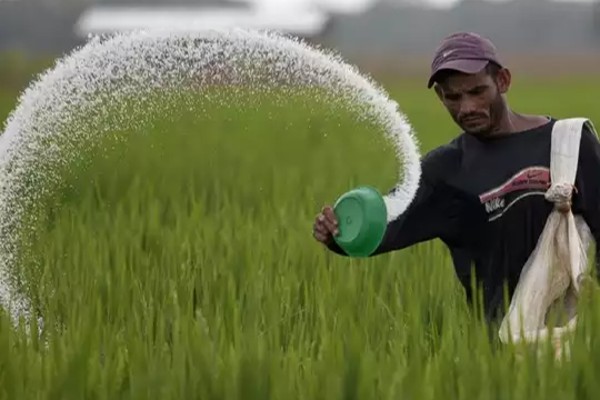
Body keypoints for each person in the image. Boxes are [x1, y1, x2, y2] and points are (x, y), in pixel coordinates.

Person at [312, 31, 600, 322]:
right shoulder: (447, 171)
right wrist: (337, 233)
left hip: (579, 335)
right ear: (440, 95)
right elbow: (386, 228)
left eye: (477, 92)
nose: (467, 108)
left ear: (502, 81)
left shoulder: (569, 143)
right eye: (453, 97)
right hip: (503, 348)